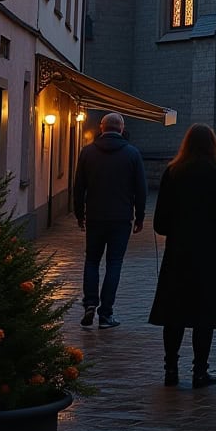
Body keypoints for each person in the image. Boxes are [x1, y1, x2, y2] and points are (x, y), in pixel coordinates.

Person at [148, 123, 216, 388]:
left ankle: (171, 370)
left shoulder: (173, 172)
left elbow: (160, 222)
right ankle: (200, 372)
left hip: (178, 253)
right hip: (210, 255)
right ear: (213, 144)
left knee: (174, 312)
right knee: (204, 314)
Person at [74, 111, 147, 329]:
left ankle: (89, 303)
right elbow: (141, 189)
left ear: (101, 128)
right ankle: (106, 314)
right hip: (121, 218)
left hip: (96, 216)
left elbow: (79, 188)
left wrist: (80, 214)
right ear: (122, 129)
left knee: (92, 261)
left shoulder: (87, 153)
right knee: (114, 263)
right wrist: (140, 217)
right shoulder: (132, 154)